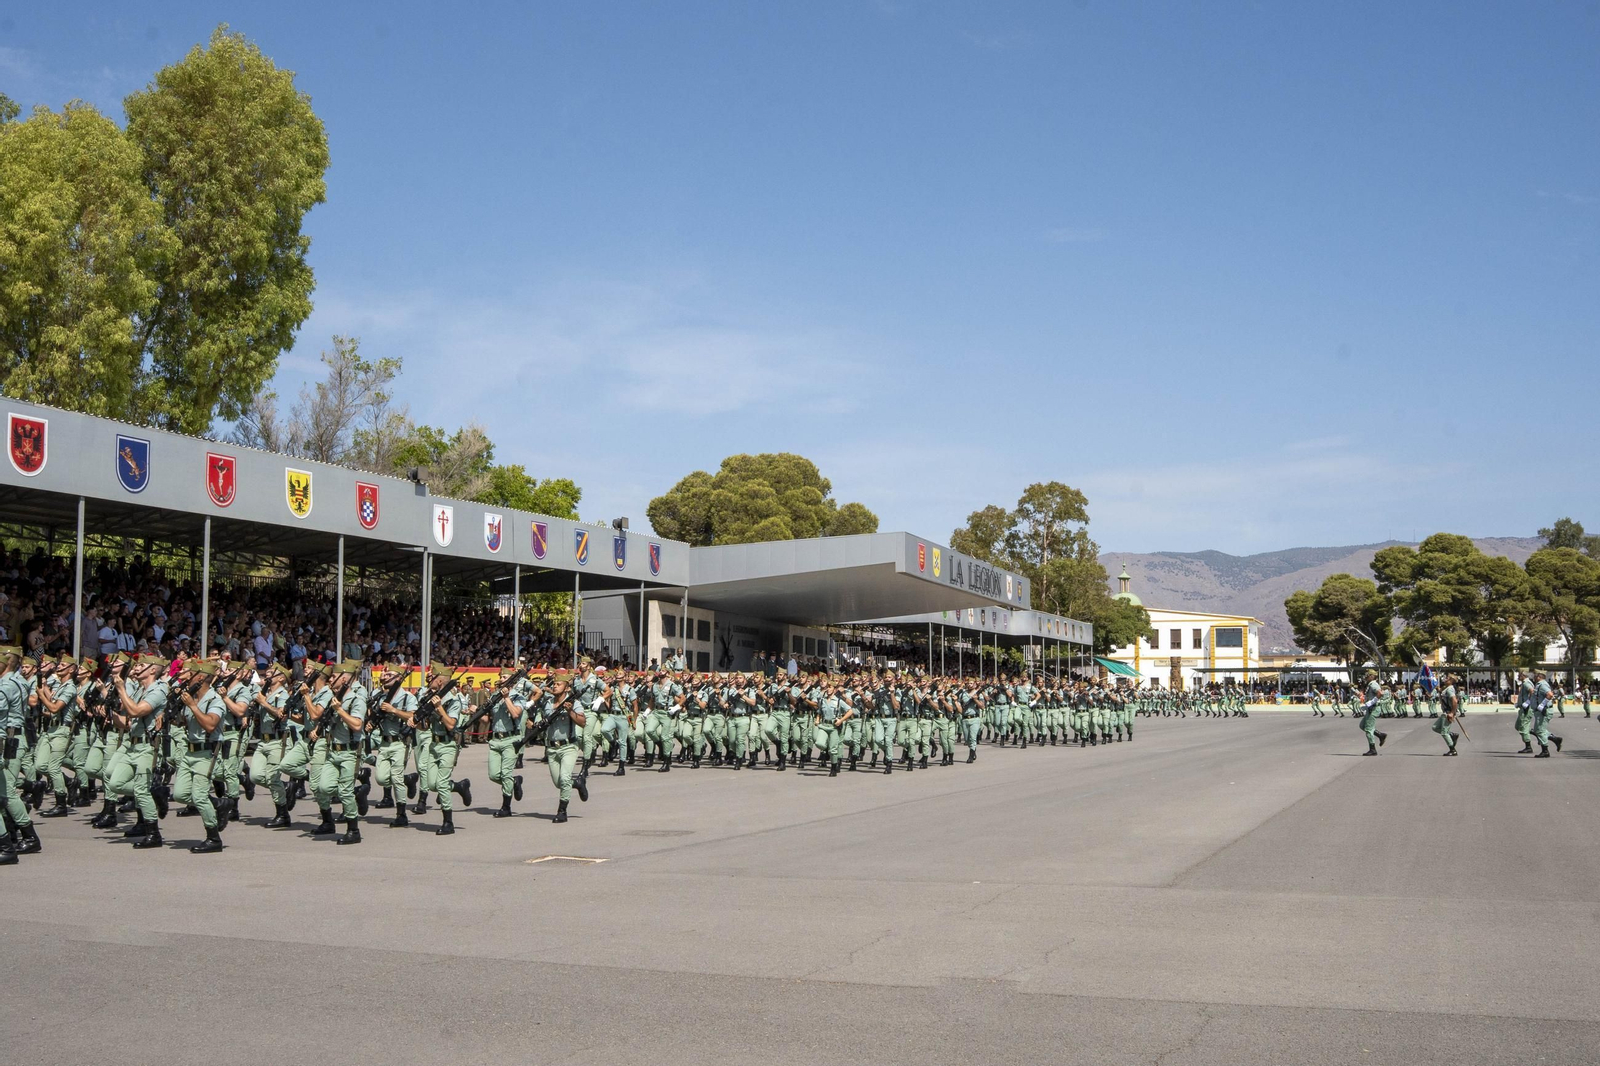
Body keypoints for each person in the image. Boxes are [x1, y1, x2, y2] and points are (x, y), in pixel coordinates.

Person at [1358, 674, 1388, 756]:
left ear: (1371, 676)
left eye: (1367, 676)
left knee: (1368, 729)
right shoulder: (1370, 684)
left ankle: (1373, 749)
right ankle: (1380, 735)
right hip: (1370, 708)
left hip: (1373, 708)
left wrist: (1371, 702)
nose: (1366, 677)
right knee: (1362, 725)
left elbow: (1380, 693)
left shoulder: (1373, 684)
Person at [1434, 678, 1461, 755]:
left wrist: (1452, 712)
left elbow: (1454, 701)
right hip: (1445, 712)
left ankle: (1453, 750)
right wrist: (1439, 691)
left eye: (1447, 679)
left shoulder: (1449, 689)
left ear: (1451, 681)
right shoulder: (1447, 689)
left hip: (1448, 712)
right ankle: (1451, 735)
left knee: (1444, 732)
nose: (1445, 679)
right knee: (1435, 727)